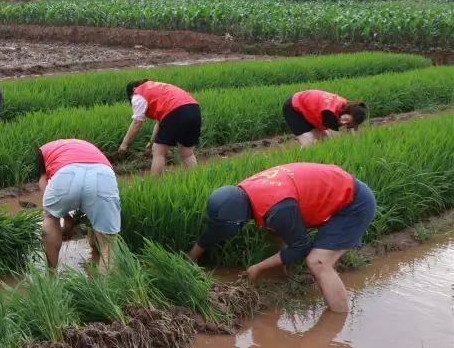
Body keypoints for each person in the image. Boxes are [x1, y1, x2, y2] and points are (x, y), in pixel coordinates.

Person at [187, 162, 375, 313]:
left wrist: (258, 268)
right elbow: (214, 230)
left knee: (318, 262)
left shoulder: (277, 210)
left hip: (353, 203)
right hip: (331, 191)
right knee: (272, 229)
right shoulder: (242, 194)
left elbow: (301, 246)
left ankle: (337, 322)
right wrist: (190, 258)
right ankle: (279, 273)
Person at [37, 138, 121, 271]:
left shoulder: (44, 150)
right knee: (108, 242)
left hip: (65, 174)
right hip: (103, 175)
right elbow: (92, 200)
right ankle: (105, 290)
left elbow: (43, 184)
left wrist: (65, 217)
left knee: (51, 218)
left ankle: (51, 275)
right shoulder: (89, 146)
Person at [118, 79, 201, 175]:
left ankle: (155, 183)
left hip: (175, 111)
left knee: (158, 151)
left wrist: (124, 144)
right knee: (187, 152)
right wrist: (151, 141)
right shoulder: (157, 88)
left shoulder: (138, 94)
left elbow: (137, 122)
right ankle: (195, 177)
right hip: (194, 109)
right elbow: (160, 123)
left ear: (132, 90)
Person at [283, 90, 367, 146]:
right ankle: (299, 165)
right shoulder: (330, 112)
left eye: (349, 124)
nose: (346, 124)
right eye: (347, 122)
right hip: (294, 107)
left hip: (309, 110)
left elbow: (350, 128)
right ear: (349, 113)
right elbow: (335, 133)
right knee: (308, 143)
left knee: (324, 141)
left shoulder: (346, 105)